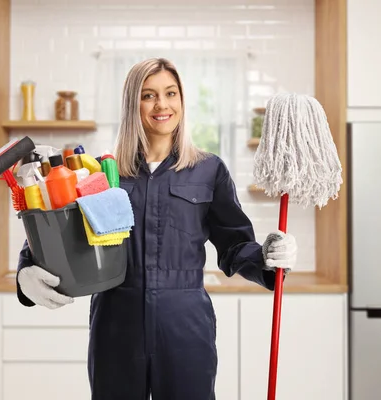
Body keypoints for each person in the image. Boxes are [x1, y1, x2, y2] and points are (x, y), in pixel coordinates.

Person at [16, 58, 298, 400]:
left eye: (170, 93)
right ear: (132, 104)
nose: (162, 104)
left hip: (184, 323)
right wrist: (25, 272)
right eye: (148, 95)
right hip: (116, 322)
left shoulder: (208, 170)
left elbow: (235, 246)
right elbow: (57, 236)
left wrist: (269, 258)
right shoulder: (100, 174)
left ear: (181, 100)